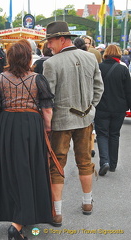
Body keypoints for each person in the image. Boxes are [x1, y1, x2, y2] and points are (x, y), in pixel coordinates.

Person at [0, 39, 54, 240]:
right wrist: (47, 130)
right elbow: (47, 109)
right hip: (31, 125)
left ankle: (17, 213)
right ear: (29, 58)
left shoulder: (0, 78)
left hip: (7, 125)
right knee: (30, 169)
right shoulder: (38, 79)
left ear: (10, 58)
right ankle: (21, 219)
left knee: (11, 169)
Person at [43, 21, 104, 226]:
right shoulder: (89, 57)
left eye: (51, 41)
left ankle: (57, 212)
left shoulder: (51, 63)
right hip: (85, 119)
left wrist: (47, 123)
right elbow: (99, 88)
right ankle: (87, 203)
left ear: (62, 39)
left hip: (60, 122)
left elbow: (47, 98)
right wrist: (91, 107)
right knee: (85, 161)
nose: (49, 46)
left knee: (56, 165)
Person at [95, 44, 131, 176]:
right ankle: (113, 164)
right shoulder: (123, 69)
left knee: (102, 134)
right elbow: (128, 91)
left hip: (102, 107)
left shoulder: (99, 68)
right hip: (119, 109)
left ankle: (104, 161)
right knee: (115, 135)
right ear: (119, 54)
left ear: (105, 54)